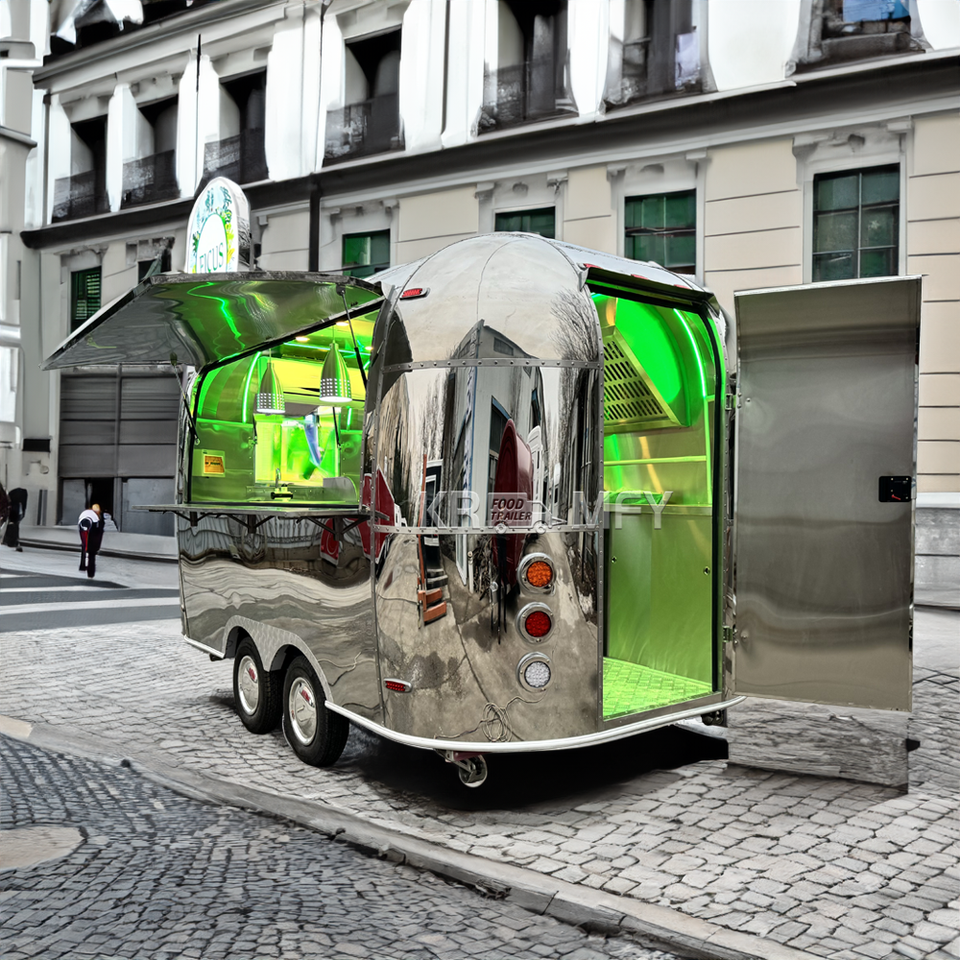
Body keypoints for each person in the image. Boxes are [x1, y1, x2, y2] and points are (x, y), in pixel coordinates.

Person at [78, 503, 104, 578]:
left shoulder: (85, 515)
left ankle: (83, 566)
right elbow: (98, 531)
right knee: (91, 554)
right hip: (93, 537)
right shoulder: (95, 518)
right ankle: (90, 572)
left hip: (86, 531)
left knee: (85, 548)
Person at [2, 487, 27, 552]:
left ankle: (10, 541)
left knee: (13, 527)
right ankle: (12, 542)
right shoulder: (17, 501)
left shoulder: (13, 501)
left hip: (13, 515)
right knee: (14, 527)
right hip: (15, 515)